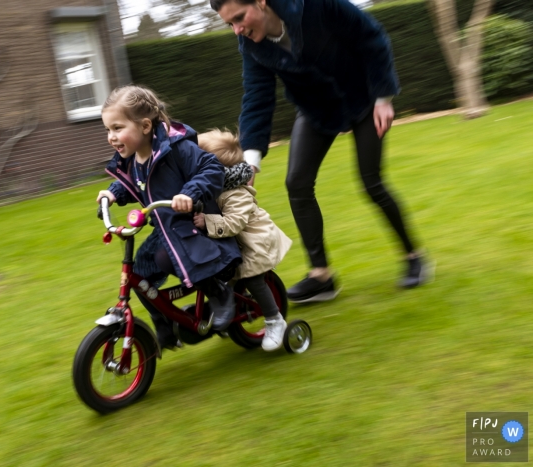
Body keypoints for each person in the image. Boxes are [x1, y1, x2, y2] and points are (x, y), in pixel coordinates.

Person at [210, 0, 430, 303]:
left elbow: (371, 35)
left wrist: (383, 96)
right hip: (317, 110)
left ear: (261, 2)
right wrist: (250, 162)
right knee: (297, 183)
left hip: (362, 98)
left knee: (371, 182)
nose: (237, 29)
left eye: (239, 18)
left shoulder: (315, 5)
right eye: (229, 24)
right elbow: (257, 97)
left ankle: (414, 256)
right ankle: (321, 276)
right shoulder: (250, 45)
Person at [97, 85, 242, 349]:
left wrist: (189, 193)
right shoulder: (131, 159)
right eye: (108, 130)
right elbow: (133, 183)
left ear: (144, 126)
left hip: (192, 224)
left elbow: (211, 169)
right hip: (164, 227)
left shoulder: (177, 149)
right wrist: (112, 193)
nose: (111, 136)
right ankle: (162, 320)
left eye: (117, 128)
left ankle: (219, 293)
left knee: (178, 256)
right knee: (139, 273)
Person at [193, 129, 293, 351]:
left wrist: (206, 222)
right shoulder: (211, 187)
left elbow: (234, 223)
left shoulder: (236, 193)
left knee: (253, 278)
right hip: (233, 241)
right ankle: (219, 312)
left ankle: (274, 319)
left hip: (254, 243)